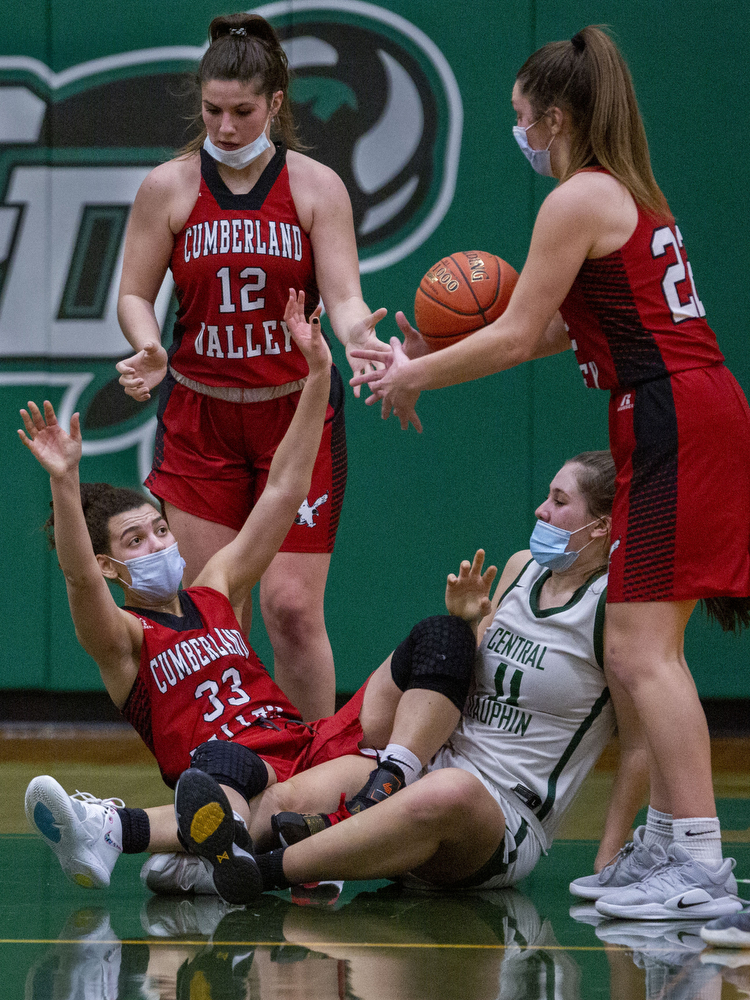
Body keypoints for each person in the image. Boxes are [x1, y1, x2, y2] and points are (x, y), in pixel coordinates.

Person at [348, 25, 750, 919]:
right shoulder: (624, 194)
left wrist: (415, 374)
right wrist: (440, 347)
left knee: (644, 652)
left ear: (557, 117)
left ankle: (698, 864)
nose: (520, 135)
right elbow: (567, 327)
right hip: (677, 412)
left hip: (676, 415)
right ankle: (672, 844)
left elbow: (524, 332)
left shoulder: (578, 198)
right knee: (639, 648)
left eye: (523, 119)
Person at [20, 301, 481, 896]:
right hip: (241, 777)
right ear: (112, 566)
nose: (160, 542)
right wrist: (64, 480)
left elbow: (285, 490)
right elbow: (80, 579)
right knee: (224, 763)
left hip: (310, 748)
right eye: (136, 541)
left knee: (437, 637)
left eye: (160, 528)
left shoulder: (214, 587)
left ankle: (174, 842)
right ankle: (191, 836)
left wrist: (317, 377)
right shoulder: (124, 642)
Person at [171, 451, 672, 907]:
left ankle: (257, 872)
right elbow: (467, 680)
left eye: (559, 501)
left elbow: (637, 748)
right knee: (297, 792)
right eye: (546, 495)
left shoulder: (617, 608)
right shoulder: (522, 569)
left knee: (448, 792)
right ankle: (177, 856)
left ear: (601, 527)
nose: (540, 510)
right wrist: (469, 622)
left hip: (502, 819)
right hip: (429, 768)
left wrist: (608, 858)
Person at [115, 12, 389, 720]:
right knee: (213, 606)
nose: (227, 126)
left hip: (293, 416)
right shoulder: (168, 187)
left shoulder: (317, 185)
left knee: (291, 608)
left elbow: (347, 296)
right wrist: (147, 343)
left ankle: (314, 781)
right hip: (200, 419)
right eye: (213, 110)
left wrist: (363, 338)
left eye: (242, 111)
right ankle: (234, 778)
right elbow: (134, 293)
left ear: (275, 104)